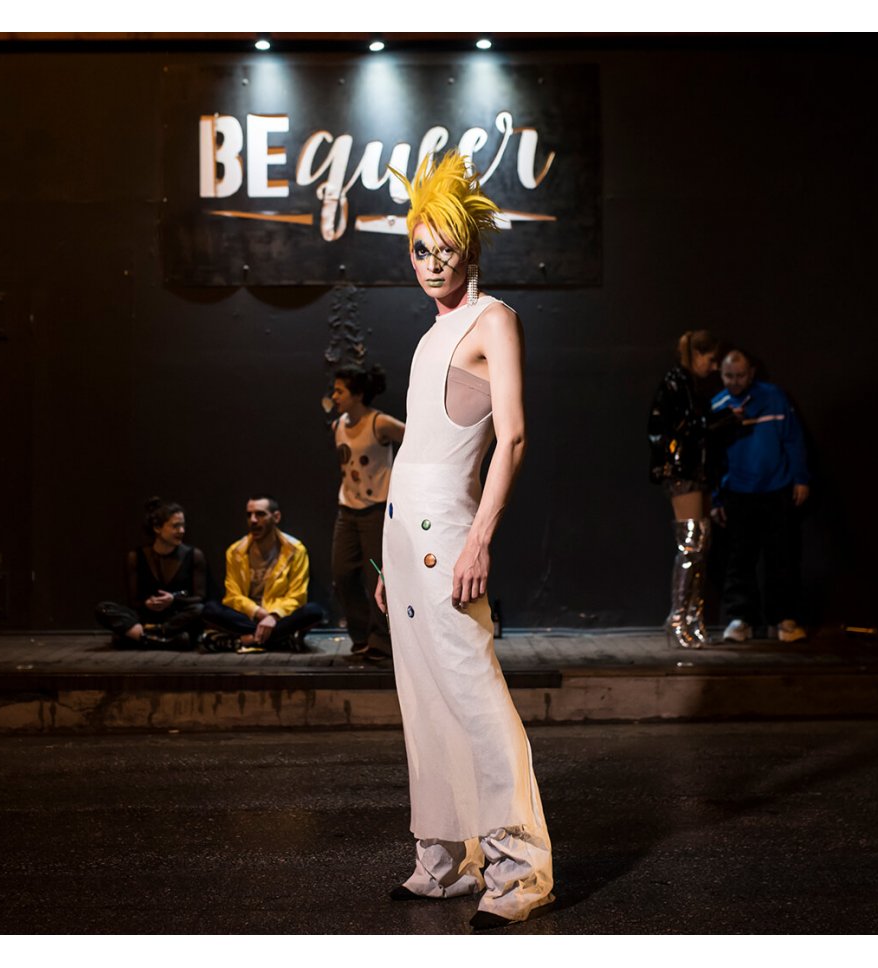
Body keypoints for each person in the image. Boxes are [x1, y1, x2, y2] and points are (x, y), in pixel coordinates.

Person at [373, 151, 553, 930]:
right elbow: (417, 448)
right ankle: (445, 861)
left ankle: (522, 870)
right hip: (404, 543)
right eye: (420, 246)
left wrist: (479, 540)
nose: (432, 261)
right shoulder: (433, 332)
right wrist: (391, 561)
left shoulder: (493, 321)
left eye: (444, 245)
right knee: (423, 700)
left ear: (470, 247)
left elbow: (511, 439)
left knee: (476, 699)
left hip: (449, 537)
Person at [709, 349, 811, 642]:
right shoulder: (718, 406)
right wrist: (717, 499)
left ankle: (783, 619)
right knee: (739, 559)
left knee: (782, 557)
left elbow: (793, 439)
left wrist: (801, 478)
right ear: (721, 374)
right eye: (729, 376)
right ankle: (741, 619)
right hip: (738, 493)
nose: (736, 381)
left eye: (741, 375)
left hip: (776, 489)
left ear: (751, 372)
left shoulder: (774, 397)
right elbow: (713, 457)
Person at [647, 329, 736, 648]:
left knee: (699, 543)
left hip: (695, 470)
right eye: (710, 359)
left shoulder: (687, 384)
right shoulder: (676, 383)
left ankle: (691, 618)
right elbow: (669, 429)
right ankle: (678, 618)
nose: (713, 367)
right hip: (683, 471)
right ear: (697, 354)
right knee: (690, 543)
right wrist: (724, 420)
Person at [329, 363, 405, 663]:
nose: (334, 396)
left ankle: (381, 641)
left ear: (357, 394)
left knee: (378, 578)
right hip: (347, 511)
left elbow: (414, 440)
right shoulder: (338, 426)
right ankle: (360, 636)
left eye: (340, 391)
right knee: (342, 573)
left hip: (377, 511)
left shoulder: (380, 423)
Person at [202, 495, 323, 652]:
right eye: (249, 515)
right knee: (209, 610)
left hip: (279, 618)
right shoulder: (235, 551)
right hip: (248, 617)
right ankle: (279, 640)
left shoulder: (295, 550)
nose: (253, 520)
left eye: (260, 514)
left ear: (276, 517)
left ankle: (245, 640)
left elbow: (297, 596)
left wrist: (273, 617)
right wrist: (260, 614)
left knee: (313, 611)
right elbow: (232, 596)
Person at [94, 498, 209, 649]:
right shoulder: (136, 557)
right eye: (175, 526)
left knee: (200, 610)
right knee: (103, 608)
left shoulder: (194, 555)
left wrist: (173, 600)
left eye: (183, 525)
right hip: (147, 616)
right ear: (157, 528)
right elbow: (134, 601)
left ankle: (143, 636)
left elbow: (199, 598)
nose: (182, 531)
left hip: (175, 618)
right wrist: (147, 603)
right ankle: (162, 640)